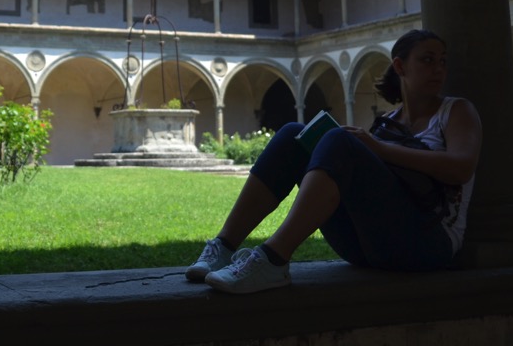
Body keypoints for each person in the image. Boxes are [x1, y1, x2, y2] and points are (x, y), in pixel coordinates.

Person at [185, 29, 481, 294]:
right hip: (366, 244)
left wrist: (379, 149)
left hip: (428, 243)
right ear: (400, 66)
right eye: (427, 60)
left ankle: (272, 260)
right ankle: (224, 246)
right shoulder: (386, 123)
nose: (438, 69)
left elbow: (461, 167)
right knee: (294, 135)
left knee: (341, 141)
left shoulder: (456, 111)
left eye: (442, 61)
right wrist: (373, 146)